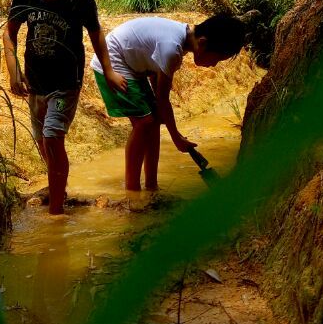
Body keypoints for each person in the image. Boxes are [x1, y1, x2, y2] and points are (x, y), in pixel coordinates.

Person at [3, 0, 127, 215]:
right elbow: (9, 32)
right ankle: (58, 184)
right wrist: (13, 70)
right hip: (35, 81)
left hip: (66, 83)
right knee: (42, 140)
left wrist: (108, 70)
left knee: (52, 138)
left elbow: (96, 34)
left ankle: (56, 212)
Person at [91, 14, 245, 193]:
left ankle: (151, 186)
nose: (213, 65)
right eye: (216, 59)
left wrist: (161, 113)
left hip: (133, 64)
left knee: (154, 121)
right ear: (202, 43)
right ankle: (132, 191)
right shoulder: (172, 48)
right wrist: (176, 137)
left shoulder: (182, 38)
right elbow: (163, 100)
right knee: (144, 123)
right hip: (112, 63)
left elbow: (157, 84)